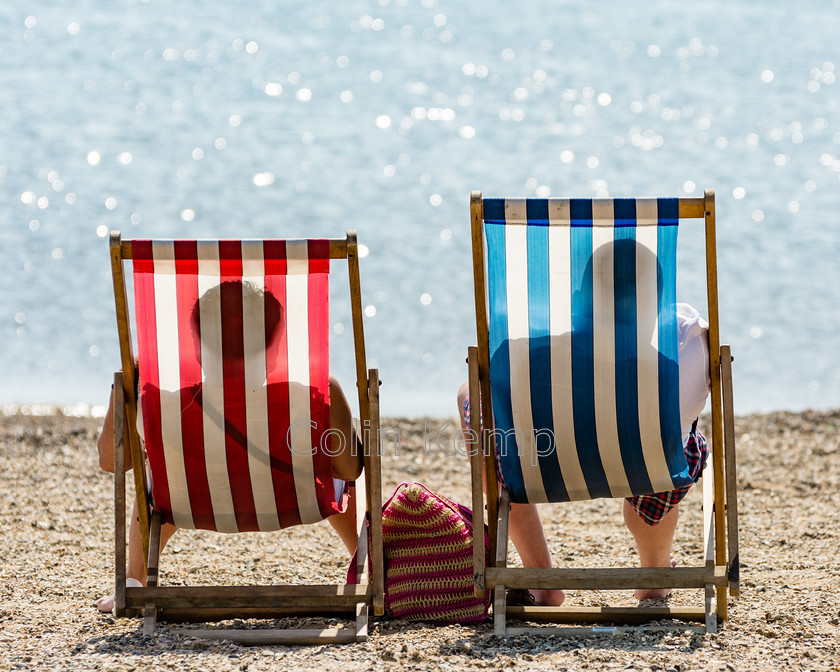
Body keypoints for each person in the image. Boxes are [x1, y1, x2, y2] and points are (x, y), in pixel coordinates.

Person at [97, 280, 363, 613]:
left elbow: (111, 461)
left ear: (197, 349)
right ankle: (367, 567)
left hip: (190, 501)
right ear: (275, 347)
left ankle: (135, 582)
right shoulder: (317, 394)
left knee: (155, 478)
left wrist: (125, 383)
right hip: (297, 500)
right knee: (334, 467)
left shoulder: (158, 403)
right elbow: (351, 469)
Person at [457, 302, 711, 607]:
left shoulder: (533, 337)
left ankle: (541, 580)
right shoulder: (683, 335)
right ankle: (656, 577)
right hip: (647, 471)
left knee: (472, 399)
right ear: (655, 298)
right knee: (672, 445)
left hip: (539, 465)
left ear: (580, 293)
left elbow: (497, 379)